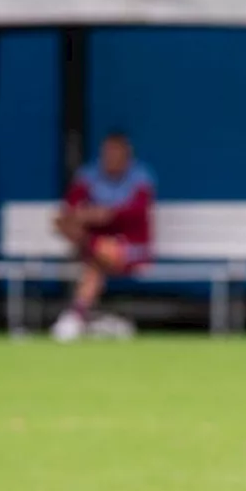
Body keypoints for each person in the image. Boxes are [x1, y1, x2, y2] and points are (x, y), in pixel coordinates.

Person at [50, 131, 155, 342]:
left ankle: (79, 316)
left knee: (98, 258)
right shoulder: (89, 176)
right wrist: (88, 216)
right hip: (96, 248)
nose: (112, 158)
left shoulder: (140, 178)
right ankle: (91, 320)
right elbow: (68, 212)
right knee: (95, 255)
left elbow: (135, 215)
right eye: (108, 153)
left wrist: (105, 215)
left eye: (117, 153)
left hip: (133, 249)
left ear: (127, 154)